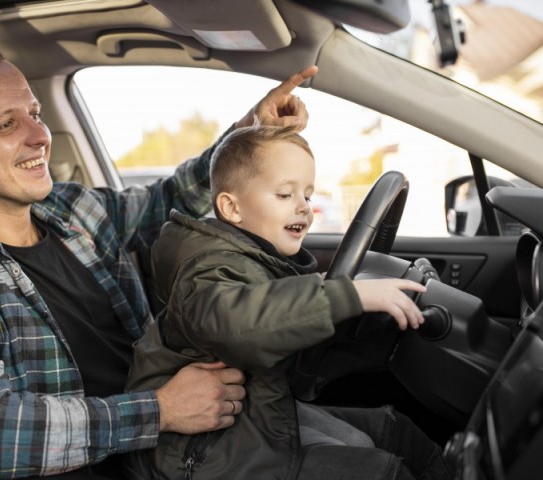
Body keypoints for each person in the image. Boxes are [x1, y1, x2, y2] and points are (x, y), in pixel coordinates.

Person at [0, 44, 317, 479]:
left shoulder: (71, 208)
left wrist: (248, 132)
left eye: (35, 114)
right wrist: (162, 409)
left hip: (189, 440)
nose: (39, 135)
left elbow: (165, 200)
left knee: (371, 441)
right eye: (5, 125)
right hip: (123, 461)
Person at [123, 125, 452, 479]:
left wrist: (347, 305)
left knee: (393, 430)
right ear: (232, 208)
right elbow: (239, 322)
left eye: (308, 196)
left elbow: (280, 316)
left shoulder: (257, 260)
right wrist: (346, 295)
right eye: (284, 195)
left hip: (252, 409)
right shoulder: (205, 269)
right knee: (380, 471)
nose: (304, 208)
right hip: (196, 454)